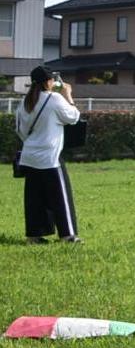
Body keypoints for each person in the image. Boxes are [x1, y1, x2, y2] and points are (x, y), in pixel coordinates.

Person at [16, 66, 81, 244]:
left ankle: (34, 236)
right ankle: (68, 236)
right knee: (61, 197)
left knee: (34, 199)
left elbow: (20, 131)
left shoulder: (25, 101)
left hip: (29, 157)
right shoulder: (54, 99)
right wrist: (68, 95)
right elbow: (73, 117)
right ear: (48, 82)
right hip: (50, 157)